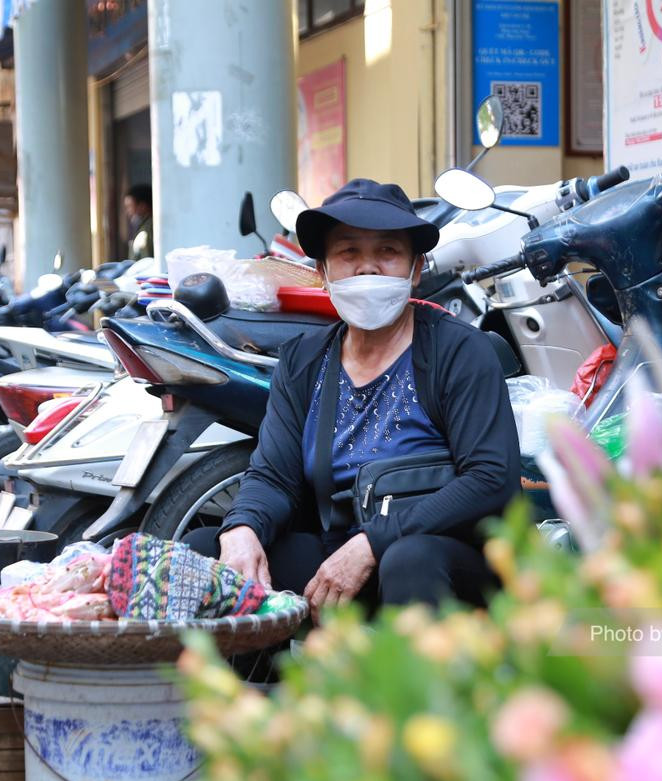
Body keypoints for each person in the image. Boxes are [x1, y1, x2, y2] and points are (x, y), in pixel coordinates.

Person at [184, 178, 520, 619]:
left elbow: (490, 478)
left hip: (441, 558)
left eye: (387, 252)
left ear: (415, 270)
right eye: (348, 253)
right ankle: (254, 688)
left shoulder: (459, 352)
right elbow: (275, 475)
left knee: (408, 558)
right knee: (203, 554)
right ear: (322, 272)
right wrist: (241, 526)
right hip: (337, 553)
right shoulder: (305, 360)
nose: (368, 269)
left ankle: (423, 685)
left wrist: (374, 542)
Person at [123, 184, 154, 260]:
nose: (128, 212)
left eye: (130, 206)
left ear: (143, 206)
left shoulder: (147, 230)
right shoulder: (144, 227)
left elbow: (145, 261)